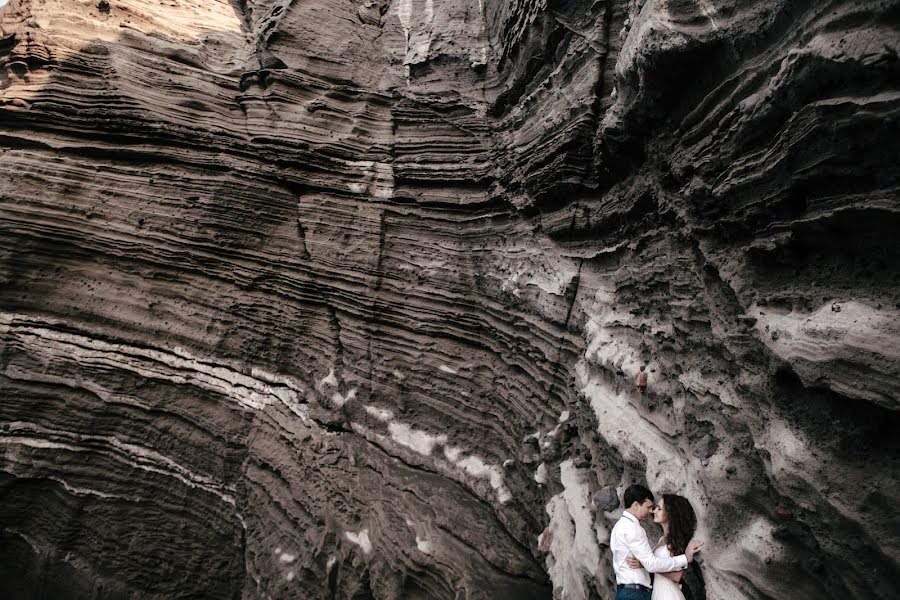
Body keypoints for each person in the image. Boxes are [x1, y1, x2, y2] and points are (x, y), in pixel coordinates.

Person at [610, 485, 702, 600]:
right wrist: (647, 565)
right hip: (650, 592)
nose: (652, 511)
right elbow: (651, 564)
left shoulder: (678, 539)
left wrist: (646, 566)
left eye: (658, 508)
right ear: (635, 505)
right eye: (650, 507)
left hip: (667, 594)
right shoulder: (657, 538)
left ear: (669, 513)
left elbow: (677, 576)